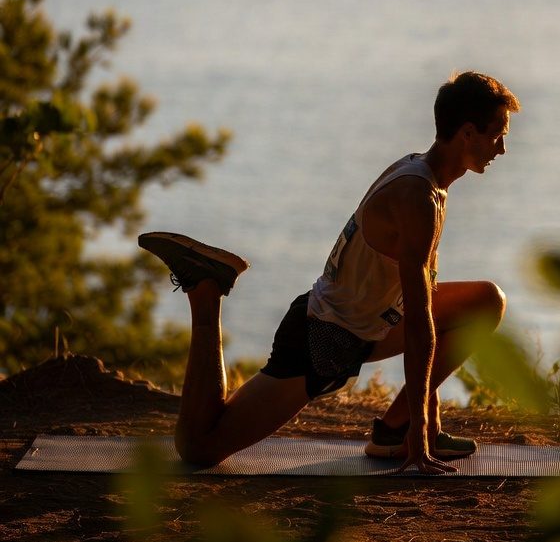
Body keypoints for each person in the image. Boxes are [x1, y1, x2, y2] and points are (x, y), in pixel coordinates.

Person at [138, 71, 520, 474]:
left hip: (367, 325)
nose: (503, 148)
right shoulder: (418, 198)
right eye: (497, 135)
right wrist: (421, 440)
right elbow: (421, 325)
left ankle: (394, 430)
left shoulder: (428, 178)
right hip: (324, 338)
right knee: (199, 449)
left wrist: (425, 416)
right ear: (466, 134)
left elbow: (420, 303)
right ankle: (207, 289)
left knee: (486, 302)